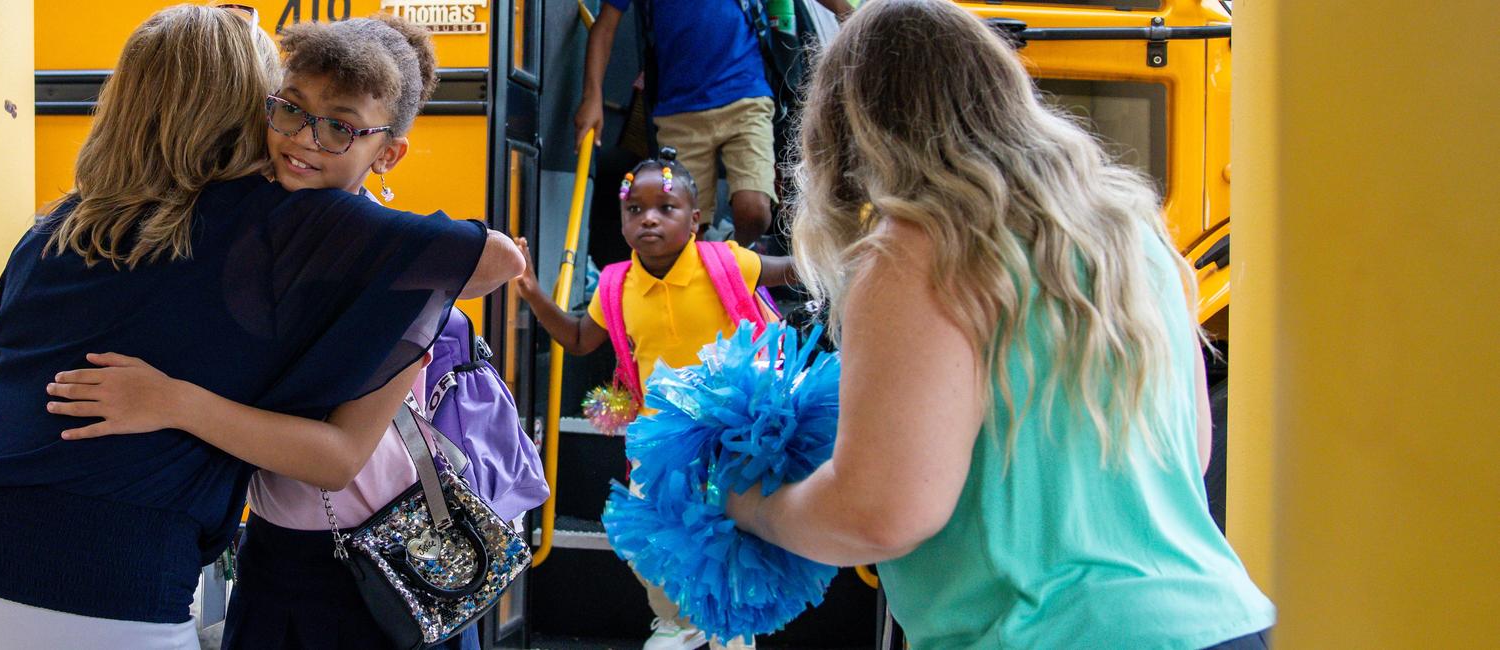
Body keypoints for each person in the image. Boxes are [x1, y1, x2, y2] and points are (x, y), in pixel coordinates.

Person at [0, 6, 523, 649]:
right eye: (283, 106)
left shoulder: (65, 222)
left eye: (337, 126)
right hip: (97, 558)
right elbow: (499, 259)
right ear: (246, 108)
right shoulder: (277, 222)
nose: (300, 135)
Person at [723, 2, 1275, 649]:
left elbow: (881, 512)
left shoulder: (916, 248)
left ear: (851, 132)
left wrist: (749, 505)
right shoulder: (1130, 235)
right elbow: (1188, 455)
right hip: (1225, 622)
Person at [511, 148, 793, 650]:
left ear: (695, 220)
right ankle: (674, 620)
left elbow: (788, 270)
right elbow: (578, 338)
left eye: (666, 208)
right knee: (650, 537)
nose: (649, 220)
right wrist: (533, 293)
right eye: (634, 210)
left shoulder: (727, 261)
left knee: (727, 530)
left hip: (728, 431)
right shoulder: (617, 285)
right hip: (657, 435)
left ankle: (730, 624)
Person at [576, 0, 779, 248]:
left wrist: (842, 13)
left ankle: (730, 254)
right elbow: (605, 27)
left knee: (754, 211)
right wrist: (592, 96)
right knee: (686, 234)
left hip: (745, 97)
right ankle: (710, 260)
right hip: (679, 114)